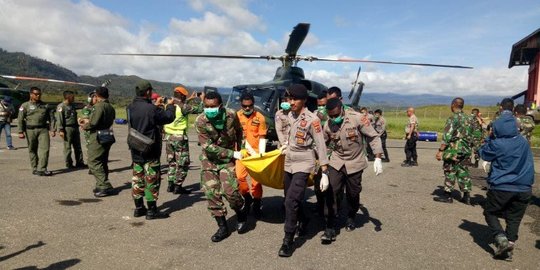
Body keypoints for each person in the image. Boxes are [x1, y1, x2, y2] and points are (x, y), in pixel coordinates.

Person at [321, 98, 383, 244]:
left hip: (355, 162)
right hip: (337, 161)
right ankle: (330, 226)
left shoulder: (357, 118)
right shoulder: (328, 123)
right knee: (331, 191)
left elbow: (373, 136)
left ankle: (351, 216)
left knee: (353, 193)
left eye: (336, 115)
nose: (334, 119)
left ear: (342, 109)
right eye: (331, 116)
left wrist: (378, 157)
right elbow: (321, 143)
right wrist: (322, 167)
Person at [479, 98, 534, 261]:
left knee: (490, 212)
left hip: (502, 186)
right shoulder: (523, 142)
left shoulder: (497, 144)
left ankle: (500, 238)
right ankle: (509, 247)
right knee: (514, 218)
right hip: (524, 187)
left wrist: (489, 138)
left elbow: (483, 153)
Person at [278, 84, 329, 257]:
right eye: (288, 99)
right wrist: (285, 144)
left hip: (304, 162)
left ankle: (287, 240)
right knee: (290, 198)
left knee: (290, 202)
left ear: (304, 100)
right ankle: (305, 219)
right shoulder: (289, 115)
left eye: (294, 99)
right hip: (289, 160)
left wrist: (324, 171)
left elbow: (320, 145)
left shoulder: (312, 119)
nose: (290, 102)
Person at [195, 91, 247, 242]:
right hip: (209, 160)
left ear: (221, 106)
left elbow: (239, 131)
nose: (209, 109)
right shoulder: (200, 121)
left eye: (213, 106)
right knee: (212, 194)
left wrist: (240, 148)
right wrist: (233, 153)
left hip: (227, 160)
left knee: (231, 192)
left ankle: (241, 210)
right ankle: (223, 227)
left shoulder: (231, 115)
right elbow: (208, 147)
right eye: (206, 106)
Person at [127, 80, 175, 219]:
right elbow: (168, 117)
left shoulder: (130, 107)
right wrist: (170, 106)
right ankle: (152, 211)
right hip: (150, 149)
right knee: (151, 179)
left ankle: (138, 208)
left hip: (135, 147)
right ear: (148, 92)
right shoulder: (152, 109)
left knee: (137, 179)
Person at [164, 86, 204, 195]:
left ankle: (170, 184)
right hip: (180, 137)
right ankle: (178, 186)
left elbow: (181, 103)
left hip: (168, 137)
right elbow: (200, 109)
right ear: (182, 96)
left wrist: (190, 99)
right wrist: (202, 99)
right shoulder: (184, 107)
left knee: (172, 162)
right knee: (183, 163)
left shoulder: (169, 104)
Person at [435, 98, 472, 205]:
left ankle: (448, 195)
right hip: (465, 150)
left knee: (450, 171)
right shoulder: (469, 119)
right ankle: (466, 196)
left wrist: (440, 151)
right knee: (463, 172)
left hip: (454, 150)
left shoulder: (453, 118)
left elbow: (447, 136)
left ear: (453, 105)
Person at [79, 86, 116, 197]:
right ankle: (101, 183)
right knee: (103, 160)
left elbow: (94, 122)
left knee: (93, 161)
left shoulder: (99, 106)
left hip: (97, 136)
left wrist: (85, 125)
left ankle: (104, 185)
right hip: (107, 134)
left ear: (97, 95)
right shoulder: (110, 107)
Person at [235, 91, 267, 218]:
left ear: (253, 104)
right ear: (241, 105)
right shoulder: (236, 116)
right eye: (244, 106)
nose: (247, 108)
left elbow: (262, 137)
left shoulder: (260, 117)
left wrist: (262, 155)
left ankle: (257, 203)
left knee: (256, 182)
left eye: (250, 105)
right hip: (241, 153)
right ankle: (247, 198)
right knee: (239, 177)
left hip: (255, 154)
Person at [18, 87, 56, 176]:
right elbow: (20, 119)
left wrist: (52, 129)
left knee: (45, 149)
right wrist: (20, 131)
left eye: (39, 94)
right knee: (32, 149)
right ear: (31, 94)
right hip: (30, 130)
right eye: (36, 94)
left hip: (43, 130)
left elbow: (52, 118)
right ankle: (34, 168)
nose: (38, 96)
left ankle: (42, 169)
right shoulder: (25, 105)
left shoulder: (45, 105)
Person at [56, 90, 85, 168]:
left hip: (75, 127)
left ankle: (80, 162)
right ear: (68, 97)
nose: (74, 98)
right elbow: (60, 119)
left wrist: (79, 122)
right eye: (72, 97)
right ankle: (69, 163)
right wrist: (61, 130)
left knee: (78, 146)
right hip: (67, 128)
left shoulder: (72, 106)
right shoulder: (61, 107)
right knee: (68, 147)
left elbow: (74, 116)